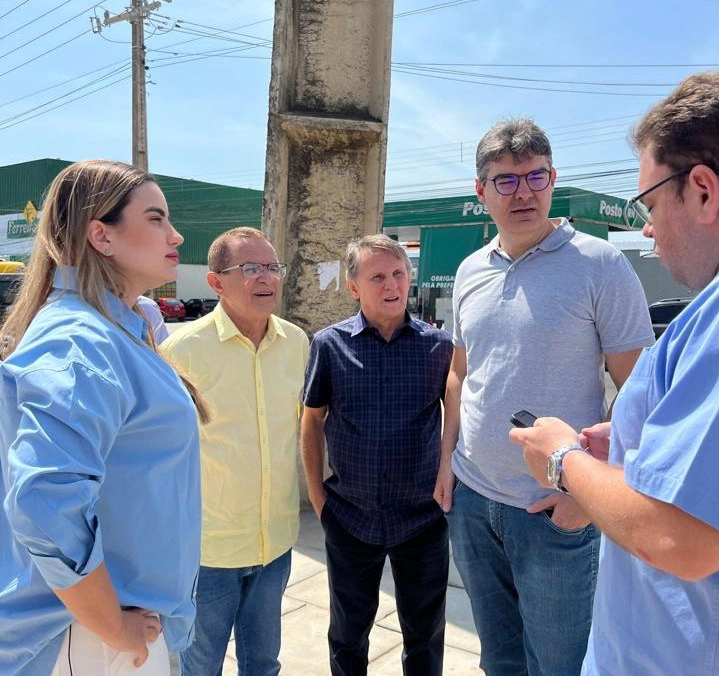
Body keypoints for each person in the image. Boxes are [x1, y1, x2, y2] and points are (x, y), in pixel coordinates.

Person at [513, 66, 719, 676]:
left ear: (703, 190)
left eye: (651, 203)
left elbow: (682, 535)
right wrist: (633, 444)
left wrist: (562, 460)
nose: (647, 228)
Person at [433, 118, 655, 676]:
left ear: (553, 179)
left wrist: (589, 493)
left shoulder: (600, 266)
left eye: (535, 176)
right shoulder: (468, 272)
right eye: (505, 181)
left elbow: (641, 393)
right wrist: (446, 462)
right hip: (474, 502)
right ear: (481, 192)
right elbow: (461, 373)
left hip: (553, 510)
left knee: (560, 664)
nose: (524, 192)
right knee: (500, 659)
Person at [0, 159, 204, 675]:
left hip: (106, 628)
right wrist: (112, 625)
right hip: (93, 637)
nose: (175, 233)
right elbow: (44, 497)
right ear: (101, 235)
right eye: (156, 218)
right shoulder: (81, 339)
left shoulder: (111, 329)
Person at [302, 234, 452, 676]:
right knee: (348, 637)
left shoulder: (438, 347)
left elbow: (459, 415)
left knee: (425, 638)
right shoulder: (329, 345)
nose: (392, 286)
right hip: (350, 519)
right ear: (353, 287)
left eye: (399, 274)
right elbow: (311, 422)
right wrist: (318, 500)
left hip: (422, 520)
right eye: (378, 277)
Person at [161, 226, 308, 676]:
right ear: (216, 282)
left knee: (263, 663)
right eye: (250, 268)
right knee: (200, 665)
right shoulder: (181, 350)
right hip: (210, 551)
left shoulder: (297, 343)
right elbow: (162, 456)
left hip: (275, 541)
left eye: (272, 267)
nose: (266, 278)